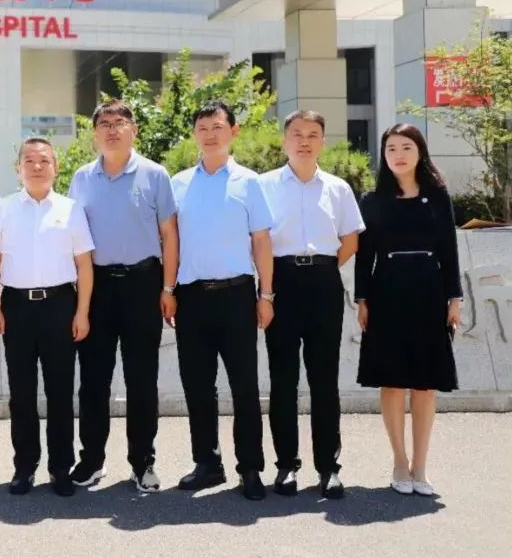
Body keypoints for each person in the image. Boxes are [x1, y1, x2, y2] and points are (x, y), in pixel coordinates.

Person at [66, 99, 179, 492]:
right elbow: (72, 237)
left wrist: (168, 288)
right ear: (95, 133)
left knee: (141, 379)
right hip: (96, 287)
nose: (112, 130)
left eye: (120, 122)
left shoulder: (155, 174)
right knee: (93, 380)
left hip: (142, 284)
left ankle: (143, 462)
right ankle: (91, 460)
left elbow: (169, 235)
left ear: (134, 130)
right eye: (105, 124)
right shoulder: (82, 178)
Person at [170, 100, 274, 500]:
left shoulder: (250, 182)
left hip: (237, 296)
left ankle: (250, 467)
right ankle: (207, 464)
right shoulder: (178, 184)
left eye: (217, 127)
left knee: (244, 385)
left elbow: (261, 241)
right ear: (194, 134)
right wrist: (168, 290)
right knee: (198, 386)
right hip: (191, 297)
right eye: (202, 128)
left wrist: (266, 294)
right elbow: (170, 243)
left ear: (233, 131)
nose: (210, 134)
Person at [258, 110, 364, 499]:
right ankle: (286, 465)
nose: (305, 141)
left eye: (313, 134)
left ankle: (328, 468)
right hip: (280, 283)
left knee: (324, 380)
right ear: (284, 140)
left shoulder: (338, 188)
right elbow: (258, 240)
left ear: (323, 141)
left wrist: (320, 267)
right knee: (283, 379)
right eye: (297, 134)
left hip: (323, 283)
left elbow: (350, 241)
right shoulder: (264, 185)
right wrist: (266, 291)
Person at [354, 123, 461, 497]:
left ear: (420, 152)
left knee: (425, 384)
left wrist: (455, 298)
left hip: (429, 291)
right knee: (393, 380)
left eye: (406, 148)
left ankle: (420, 467)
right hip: (386, 291)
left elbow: (449, 249)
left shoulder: (438, 196)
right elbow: (364, 256)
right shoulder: (373, 200)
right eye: (391, 149)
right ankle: (399, 461)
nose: (398, 155)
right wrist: (362, 299)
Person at [0, 138, 94, 497]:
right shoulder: (3, 209)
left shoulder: (71, 209)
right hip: (16, 307)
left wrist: (82, 312)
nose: (36, 166)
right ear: (18, 168)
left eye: (44, 160)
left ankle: (60, 468)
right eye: (29, 160)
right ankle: (24, 466)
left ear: (55, 168)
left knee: (60, 391)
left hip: (60, 306)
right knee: (22, 393)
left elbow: (84, 264)